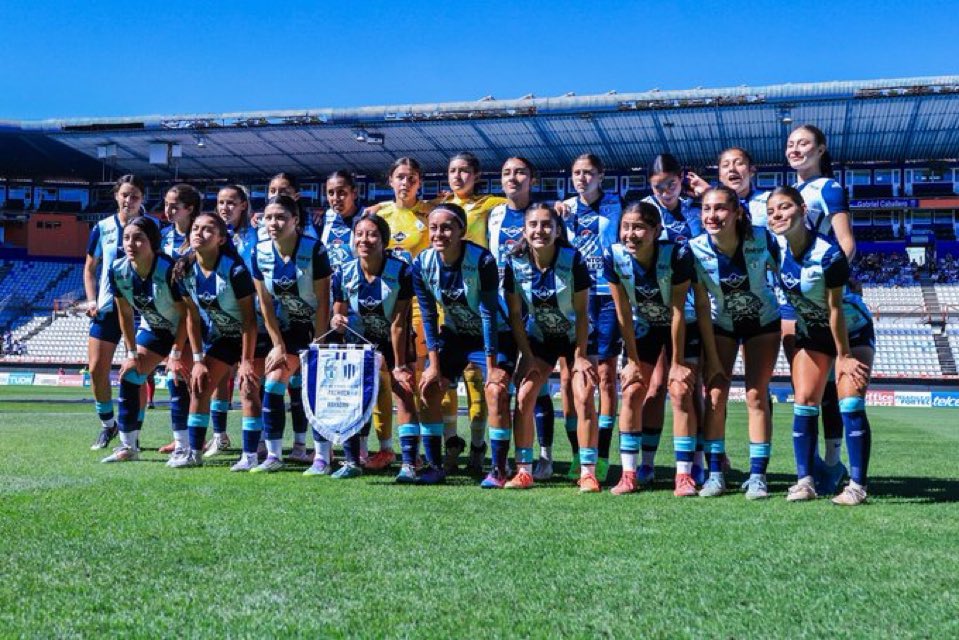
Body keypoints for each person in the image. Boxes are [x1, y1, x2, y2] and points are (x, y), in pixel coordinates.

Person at [766, 186, 874, 505]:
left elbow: (836, 309)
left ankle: (857, 487)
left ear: (802, 209)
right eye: (772, 211)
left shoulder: (829, 254)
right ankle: (805, 482)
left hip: (850, 332)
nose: (777, 215)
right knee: (804, 400)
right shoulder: (774, 250)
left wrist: (843, 357)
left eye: (784, 207)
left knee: (850, 402)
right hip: (812, 332)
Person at [410, 203, 514, 486]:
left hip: (493, 335)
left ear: (462, 231)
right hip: (456, 336)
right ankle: (434, 465)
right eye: (433, 228)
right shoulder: (421, 264)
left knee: (495, 391)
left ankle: (499, 469)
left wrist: (492, 367)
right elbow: (429, 316)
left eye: (446, 227)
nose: (439, 233)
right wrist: (433, 365)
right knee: (429, 386)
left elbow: (489, 313)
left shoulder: (482, 260)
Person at [689, 187, 781, 499]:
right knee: (715, 396)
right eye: (706, 209)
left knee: (756, 395)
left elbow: (786, 274)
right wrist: (711, 357)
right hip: (720, 325)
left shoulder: (762, 239)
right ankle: (715, 474)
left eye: (720, 209)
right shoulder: (695, 249)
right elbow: (701, 306)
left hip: (763, 323)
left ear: (737, 213)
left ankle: (758, 476)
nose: (711, 216)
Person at [504, 203, 600, 492]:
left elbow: (583, 313)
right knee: (524, 396)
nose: (540, 230)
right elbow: (515, 316)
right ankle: (524, 470)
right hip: (540, 339)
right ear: (525, 229)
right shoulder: (515, 262)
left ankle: (587, 471)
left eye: (547, 225)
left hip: (576, 339)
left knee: (583, 396)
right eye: (533, 224)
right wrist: (528, 356)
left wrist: (581, 356)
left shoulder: (573, 260)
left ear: (558, 230)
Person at [604, 201, 698, 494]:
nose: (631, 234)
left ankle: (685, 475)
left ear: (656, 230)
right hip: (643, 327)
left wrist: (678, 362)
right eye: (626, 227)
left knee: (681, 391)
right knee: (633, 390)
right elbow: (622, 314)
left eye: (639, 227)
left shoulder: (677, 254)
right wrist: (631, 360)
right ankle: (631, 473)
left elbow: (679, 311)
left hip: (681, 326)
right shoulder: (614, 255)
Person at [785, 125, 856, 495]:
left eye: (804, 144)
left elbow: (846, 243)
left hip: (819, 299)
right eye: (791, 144)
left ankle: (830, 463)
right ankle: (812, 467)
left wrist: (829, 285)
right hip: (793, 300)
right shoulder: (792, 193)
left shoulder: (828, 188)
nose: (796, 149)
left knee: (827, 387)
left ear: (821, 149)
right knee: (807, 385)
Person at [330, 212, 418, 479]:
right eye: (359, 234)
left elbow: (399, 323)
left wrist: (400, 364)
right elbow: (338, 315)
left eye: (371, 234)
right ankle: (352, 461)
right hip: (359, 343)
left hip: (396, 342)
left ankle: (409, 464)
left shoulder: (401, 271)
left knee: (403, 392)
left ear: (383, 240)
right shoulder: (343, 272)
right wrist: (337, 319)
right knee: (353, 397)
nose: (364, 240)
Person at [251, 195, 332, 474]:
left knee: (316, 390)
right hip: (288, 330)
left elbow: (323, 301)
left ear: (295, 221)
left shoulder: (315, 250)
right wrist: (276, 345)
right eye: (268, 217)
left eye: (281, 217)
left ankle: (322, 457)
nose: (273, 223)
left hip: (319, 329)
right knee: (273, 383)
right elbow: (265, 303)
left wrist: (319, 344)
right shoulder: (259, 252)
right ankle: (274, 456)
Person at [175, 213, 264, 470]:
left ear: (222, 239)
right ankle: (194, 453)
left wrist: (246, 362)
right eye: (195, 228)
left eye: (207, 230)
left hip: (253, 337)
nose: (199, 233)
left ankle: (250, 455)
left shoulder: (235, 271)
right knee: (200, 386)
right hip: (223, 336)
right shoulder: (184, 270)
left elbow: (250, 320)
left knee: (247, 388)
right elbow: (191, 317)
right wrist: (198, 360)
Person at [321, 170, 395, 471]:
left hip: (382, 306)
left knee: (388, 386)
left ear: (354, 192)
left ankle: (393, 448)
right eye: (330, 193)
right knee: (351, 386)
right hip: (343, 307)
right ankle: (358, 451)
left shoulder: (369, 216)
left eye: (342, 192)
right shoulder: (323, 221)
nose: (336, 198)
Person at [638, 154, 707, 481]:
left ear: (682, 179)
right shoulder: (642, 212)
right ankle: (647, 463)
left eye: (671, 183)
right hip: (652, 311)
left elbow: (704, 244)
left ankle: (697, 463)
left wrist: (706, 194)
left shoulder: (694, 210)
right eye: (658, 185)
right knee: (653, 388)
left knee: (690, 389)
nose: (665, 190)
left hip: (691, 308)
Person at [100, 216, 191, 463]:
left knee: (177, 377)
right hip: (155, 329)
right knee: (130, 374)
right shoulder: (118, 270)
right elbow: (125, 313)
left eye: (138, 238)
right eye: (127, 238)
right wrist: (131, 353)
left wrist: (175, 354)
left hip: (188, 332)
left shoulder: (169, 269)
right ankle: (128, 447)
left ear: (153, 242)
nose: (130, 243)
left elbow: (187, 315)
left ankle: (183, 447)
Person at [488, 157, 556, 479]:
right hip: (503, 314)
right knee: (501, 385)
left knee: (536, 388)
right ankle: (506, 461)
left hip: (536, 316)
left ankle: (545, 456)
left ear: (532, 178)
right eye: (506, 173)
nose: (513, 178)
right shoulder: (493, 214)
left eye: (520, 172)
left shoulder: (546, 214)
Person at [557, 154, 622, 482]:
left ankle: (604, 454)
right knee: (569, 379)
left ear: (601, 175)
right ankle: (576, 452)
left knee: (607, 378)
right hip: (573, 298)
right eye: (577, 173)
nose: (582, 178)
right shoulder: (563, 209)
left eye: (589, 173)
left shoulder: (617, 204)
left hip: (607, 298)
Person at [85, 174, 144, 450]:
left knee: (138, 373)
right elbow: (89, 268)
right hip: (108, 308)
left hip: (142, 310)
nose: (128, 200)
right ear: (116, 196)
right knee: (97, 369)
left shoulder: (152, 226)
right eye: (124, 195)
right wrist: (90, 300)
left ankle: (135, 431)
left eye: (134, 196)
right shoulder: (102, 227)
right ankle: (108, 425)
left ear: (141, 199)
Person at [156, 184, 202, 455]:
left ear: (190, 208)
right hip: (172, 314)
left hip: (199, 315)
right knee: (177, 378)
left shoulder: (201, 234)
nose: (168, 210)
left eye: (175, 205)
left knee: (192, 379)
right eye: (166, 204)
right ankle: (181, 438)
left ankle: (202, 437)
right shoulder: (163, 237)